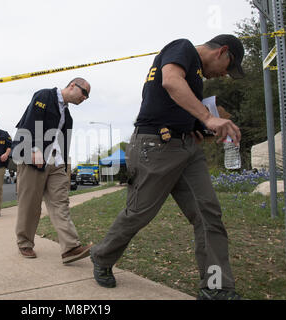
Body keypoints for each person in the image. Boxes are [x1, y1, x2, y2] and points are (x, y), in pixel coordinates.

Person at [90, 34, 245, 300]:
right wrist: (207, 118)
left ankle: (216, 287)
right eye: (228, 68)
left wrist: (198, 126)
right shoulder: (182, 48)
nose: (223, 75)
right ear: (223, 51)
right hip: (156, 145)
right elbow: (171, 82)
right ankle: (102, 256)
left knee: (208, 214)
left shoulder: (195, 75)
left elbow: (175, 103)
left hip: (187, 149)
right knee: (139, 213)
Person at [12, 78, 92, 263]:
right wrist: (33, 149)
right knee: (30, 205)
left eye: (87, 96)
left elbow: (62, 141)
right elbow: (31, 121)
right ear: (73, 86)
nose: (85, 98)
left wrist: (64, 166)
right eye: (84, 93)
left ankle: (70, 248)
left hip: (56, 163)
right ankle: (24, 243)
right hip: (34, 159)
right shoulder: (44, 96)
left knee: (60, 204)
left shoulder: (68, 116)